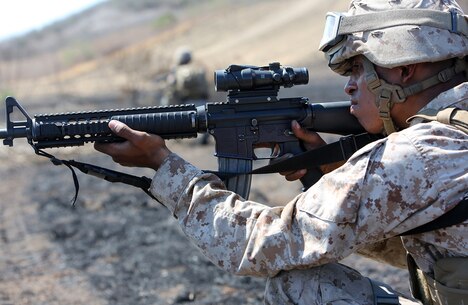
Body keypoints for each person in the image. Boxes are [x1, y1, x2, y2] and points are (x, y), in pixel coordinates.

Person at [95, 0, 467, 304]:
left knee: (301, 286)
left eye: (357, 69)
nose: (349, 88)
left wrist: (164, 167)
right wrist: (327, 175)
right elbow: (423, 244)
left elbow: (255, 244)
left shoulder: (417, 152)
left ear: (404, 69)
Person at [161, 47, 211, 144]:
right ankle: (205, 139)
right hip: (201, 100)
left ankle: (177, 138)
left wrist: (167, 105)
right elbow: (205, 85)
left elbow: (170, 90)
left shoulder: (175, 72)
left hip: (186, 102)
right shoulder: (198, 68)